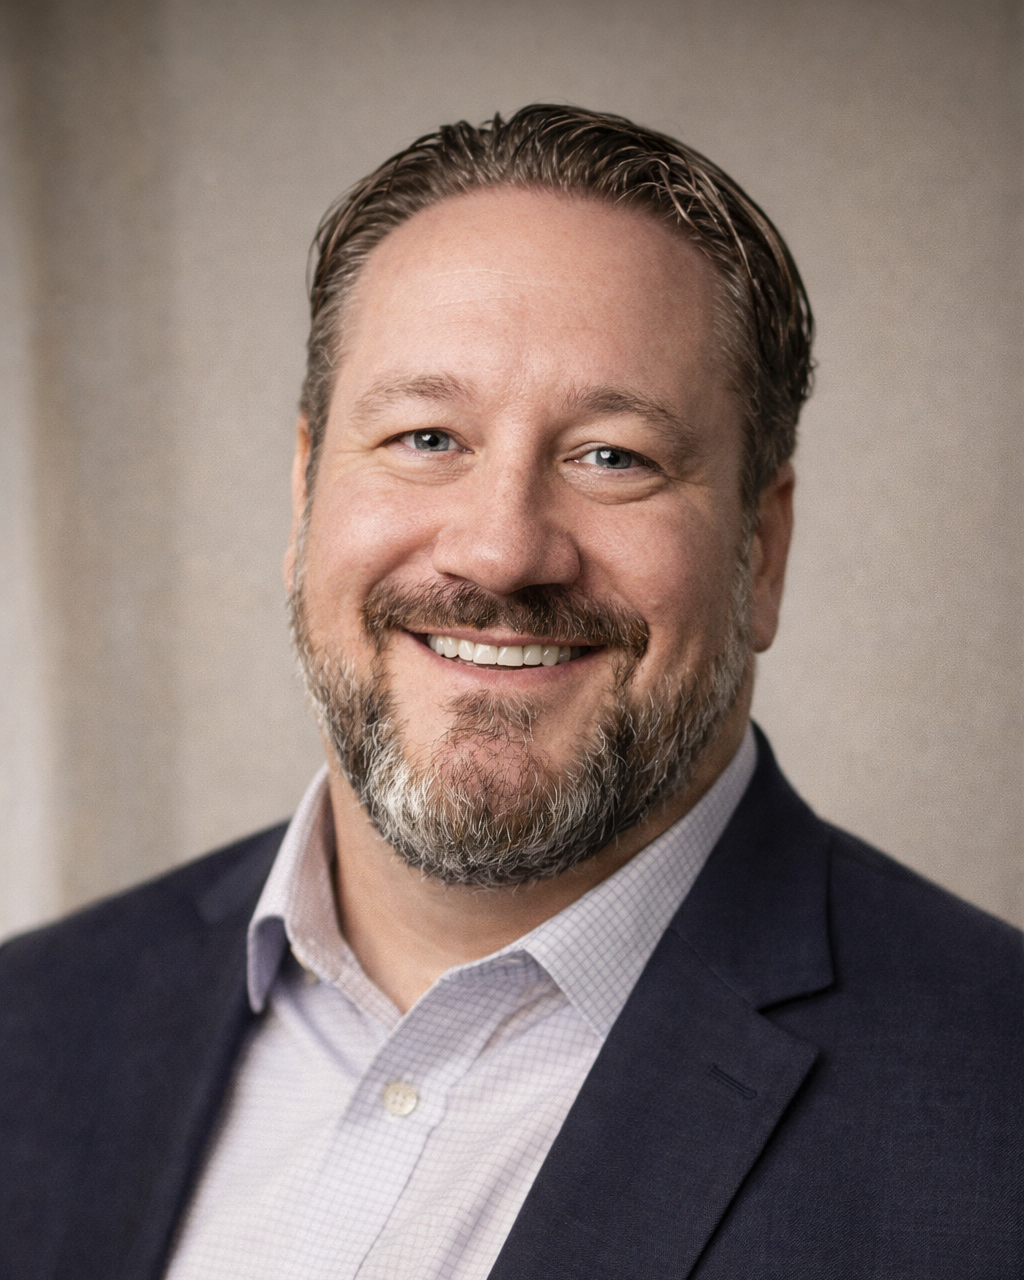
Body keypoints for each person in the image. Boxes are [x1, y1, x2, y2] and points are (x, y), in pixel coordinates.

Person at [1, 105, 1020, 1280]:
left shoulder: (996, 1115)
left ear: (762, 548)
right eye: (427, 436)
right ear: (303, 493)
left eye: (612, 456)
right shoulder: (33, 1021)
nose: (499, 551)